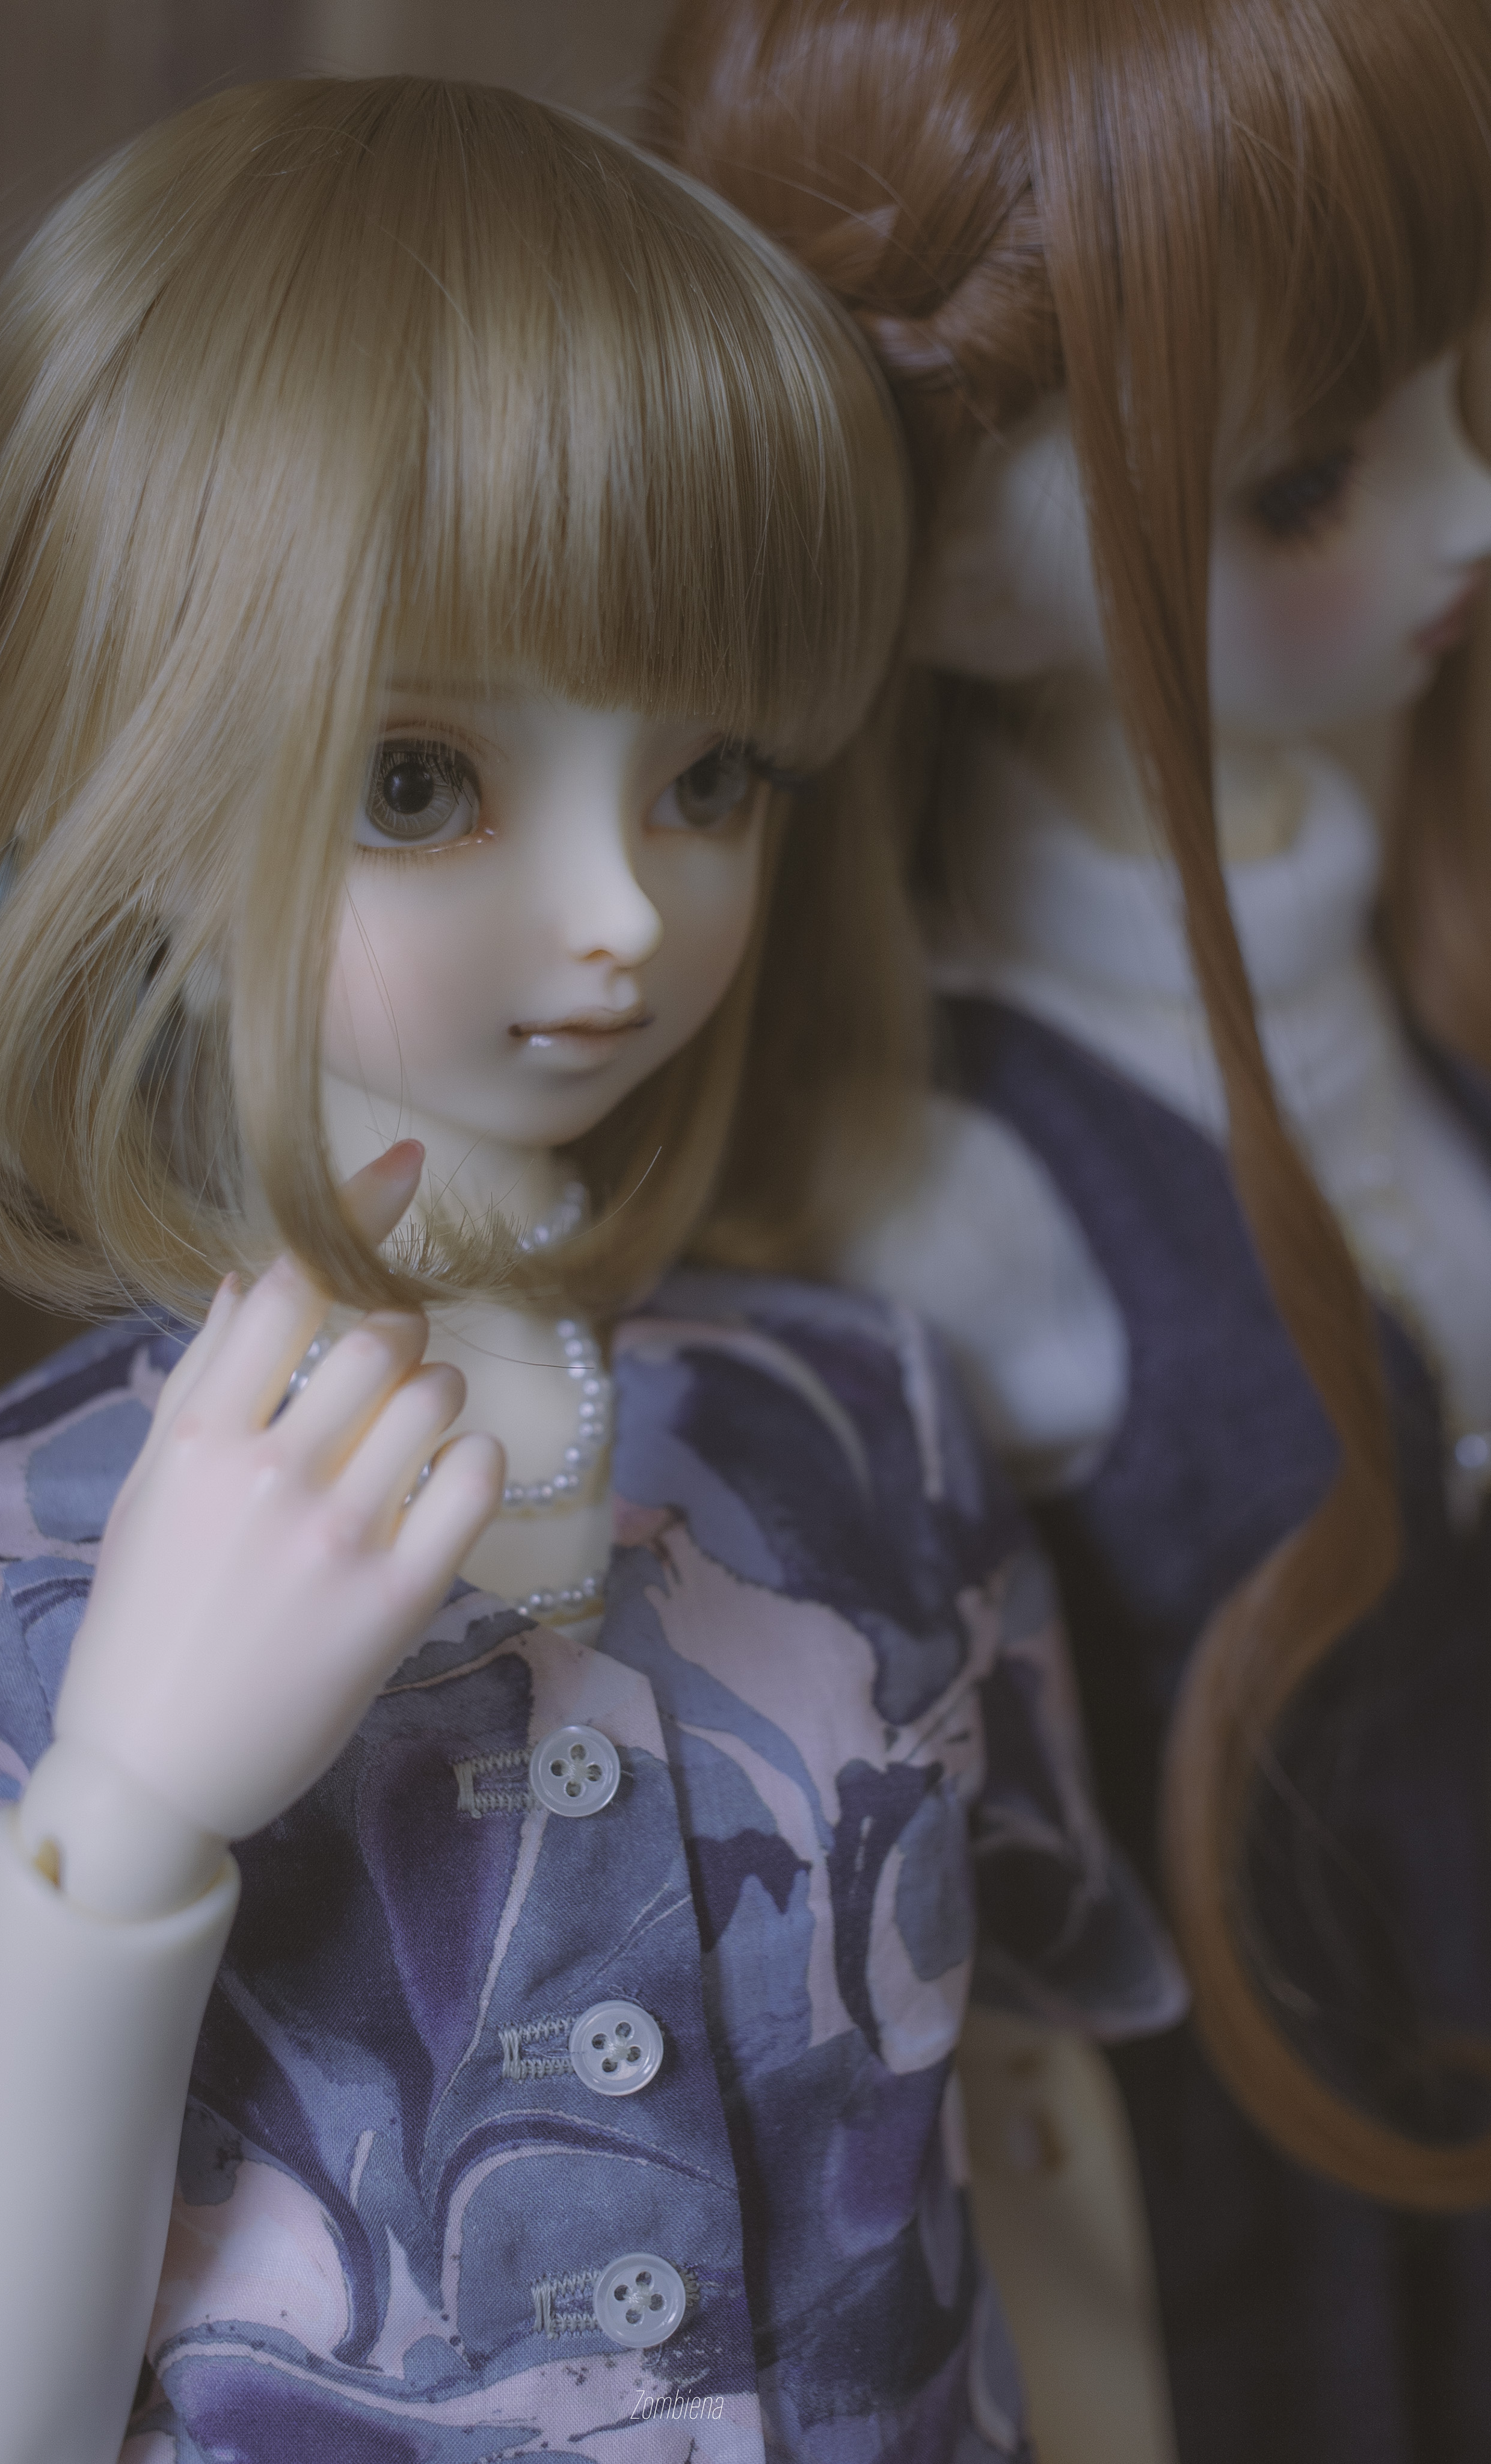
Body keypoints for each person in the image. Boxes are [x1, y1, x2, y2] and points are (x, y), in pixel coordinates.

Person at [0, 76, 1181, 2464]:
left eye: (710, 778)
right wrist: (125, 1812)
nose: (620, 913)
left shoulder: (861, 1421)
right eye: (420, 780)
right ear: (109, 796)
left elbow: (1024, 2103)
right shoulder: (11, 1550)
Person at [650, 4, 1491, 2460]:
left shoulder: (1393, 911)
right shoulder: (948, 1192)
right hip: (1257, 2242)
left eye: (1466, 389)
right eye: (1307, 479)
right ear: (943, 574)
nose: (1468, 514)